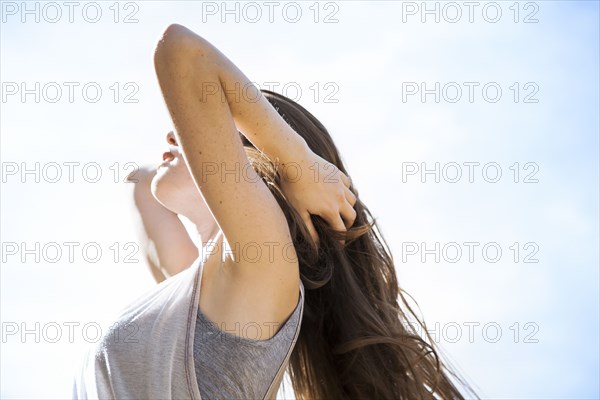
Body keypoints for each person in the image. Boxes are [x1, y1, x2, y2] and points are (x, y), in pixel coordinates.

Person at [73, 23, 480, 400]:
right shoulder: (201, 288)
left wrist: (299, 163)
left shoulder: (261, 266)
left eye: (220, 130)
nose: (180, 131)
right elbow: (141, 184)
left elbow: (181, 52)